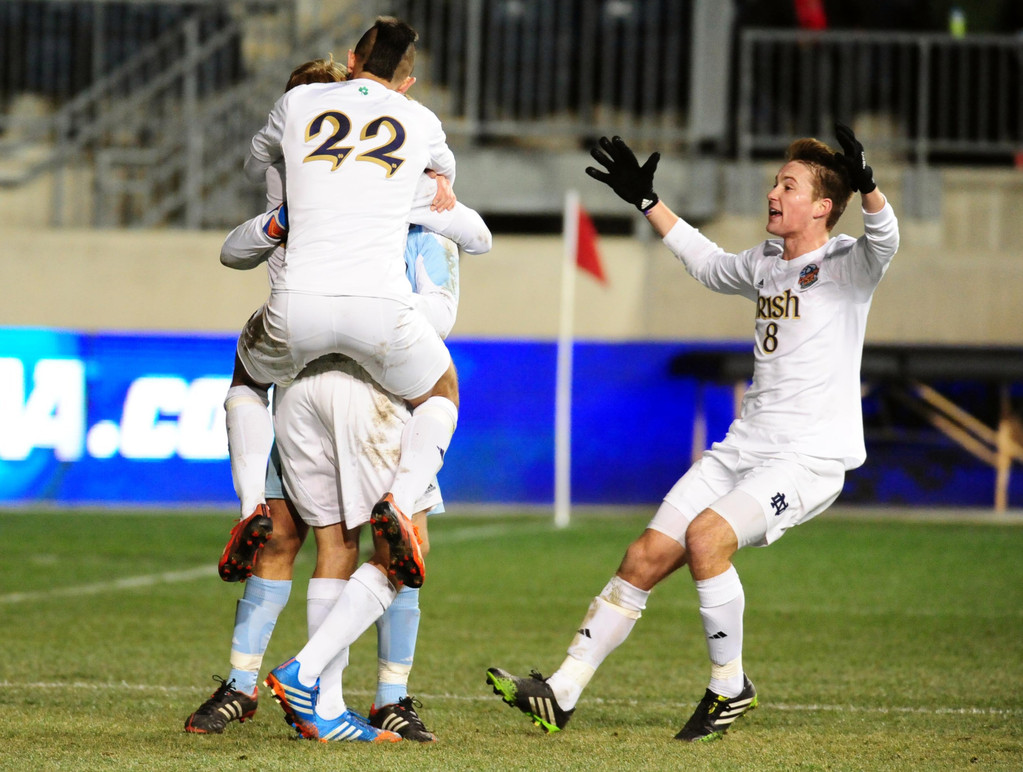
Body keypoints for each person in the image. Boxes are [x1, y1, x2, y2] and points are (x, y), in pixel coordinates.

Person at [487, 123, 899, 742]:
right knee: (644, 556)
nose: (773, 192)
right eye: (774, 181)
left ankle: (730, 687)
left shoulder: (846, 266)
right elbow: (708, 265)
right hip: (744, 448)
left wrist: (869, 189)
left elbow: (885, 241)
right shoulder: (764, 262)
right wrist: (648, 202)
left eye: (789, 185)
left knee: (707, 539)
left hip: (808, 459)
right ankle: (563, 690)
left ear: (822, 207)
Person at [186, 212, 488, 740]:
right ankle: (269, 686)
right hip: (312, 392)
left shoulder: (417, 225)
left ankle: (379, 698)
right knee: (310, 540)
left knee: (370, 542)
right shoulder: (314, 204)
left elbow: (444, 297)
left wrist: (346, 320)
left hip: (367, 391)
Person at [240, 17, 462, 590]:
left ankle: (248, 512)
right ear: (407, 82)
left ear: (351, 57)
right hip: (379, 311)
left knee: (246, 379)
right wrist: (435, 183)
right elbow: (454, 192)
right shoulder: (420, 119)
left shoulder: (301, 101)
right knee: (442, 392)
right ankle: (403, 501)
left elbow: (255, 162)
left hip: (299, 309)